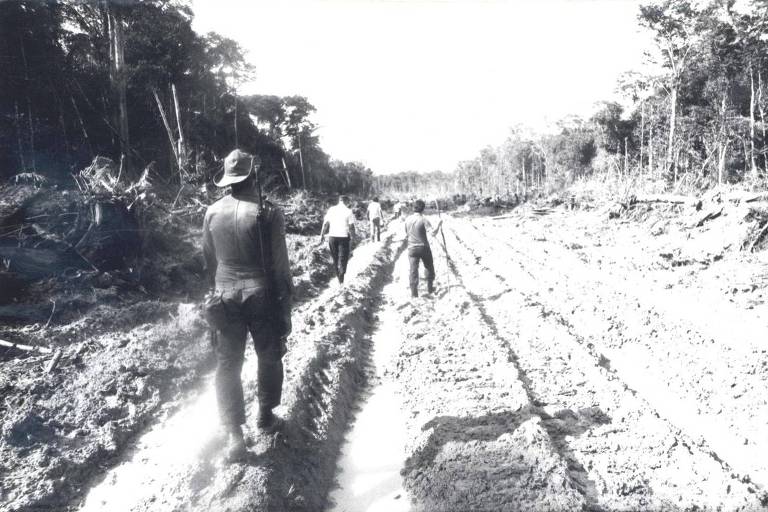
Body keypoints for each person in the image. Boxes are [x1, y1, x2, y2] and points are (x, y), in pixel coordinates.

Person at [202, 149, 294, 462]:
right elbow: (281, 268)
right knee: (269, 355)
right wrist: (285, 309)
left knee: (227, 364)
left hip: (224, 296)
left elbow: (209, 260)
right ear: (252, 176)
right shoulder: (268, 211)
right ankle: (265, 416)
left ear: (227, 182)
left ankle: (234, 437)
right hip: (261, 295)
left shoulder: (212, 212)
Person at [404, 199, 442, 298]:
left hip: (412, 248)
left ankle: (414, 293)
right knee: (429, 267)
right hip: (423, 247)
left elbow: (406, 233)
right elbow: (433, 233)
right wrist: (438, 224)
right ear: (423, 209)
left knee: (413, 270)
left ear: (413, 208)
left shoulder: (407, 219)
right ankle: (430, 288)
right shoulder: (423, 219)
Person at [320, 195, 356, 284]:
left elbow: (326, 224)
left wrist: (322, 235)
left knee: (335, 258)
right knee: (343, 258)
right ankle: (342, 275)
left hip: (332, 237)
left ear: (339, 201)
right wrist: (353, 237)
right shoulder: (348, 211)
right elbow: (351, 226)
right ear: (346, 202)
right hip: (343, 238)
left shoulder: (331, 209)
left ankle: (340, 281)